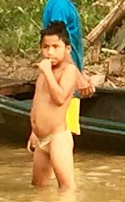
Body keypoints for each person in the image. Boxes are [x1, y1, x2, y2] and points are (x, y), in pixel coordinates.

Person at [41, 0, 96, 136]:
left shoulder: (63, 4)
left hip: (67, 75)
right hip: (62, 79)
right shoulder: (59, 6)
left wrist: (80, 73)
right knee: (63, 134)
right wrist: (77, 77)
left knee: (65, 133)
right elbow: (57, 46)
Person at [29, 22, 80, 190]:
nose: (50, 52)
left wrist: (48, 73)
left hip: (58, 138)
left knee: (66, 188)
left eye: (56, 47)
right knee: (38, 188)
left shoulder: (69, 70)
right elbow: (38, 103)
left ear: (67, 49)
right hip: (41, 138)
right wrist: (33, 132)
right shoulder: (44, 72)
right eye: (46, 47)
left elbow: (59, 98)